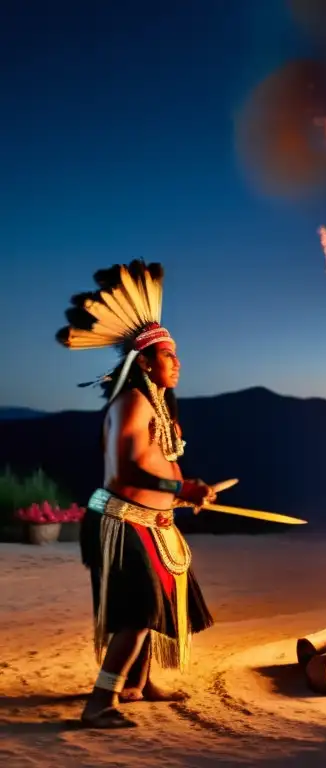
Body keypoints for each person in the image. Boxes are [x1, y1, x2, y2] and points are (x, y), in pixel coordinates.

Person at [56, 261, 217, 729]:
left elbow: (153, 462)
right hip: (121, 521)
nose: (178, 363)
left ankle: (137, 684)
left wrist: (181, 495)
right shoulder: (130, 402)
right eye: (169, 355)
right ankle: (100, 701)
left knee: (157, 604)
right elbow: (125, 468)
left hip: (151, 522)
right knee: (140, 610)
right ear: (144, 362)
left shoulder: (155, 405)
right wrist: (180, 487)